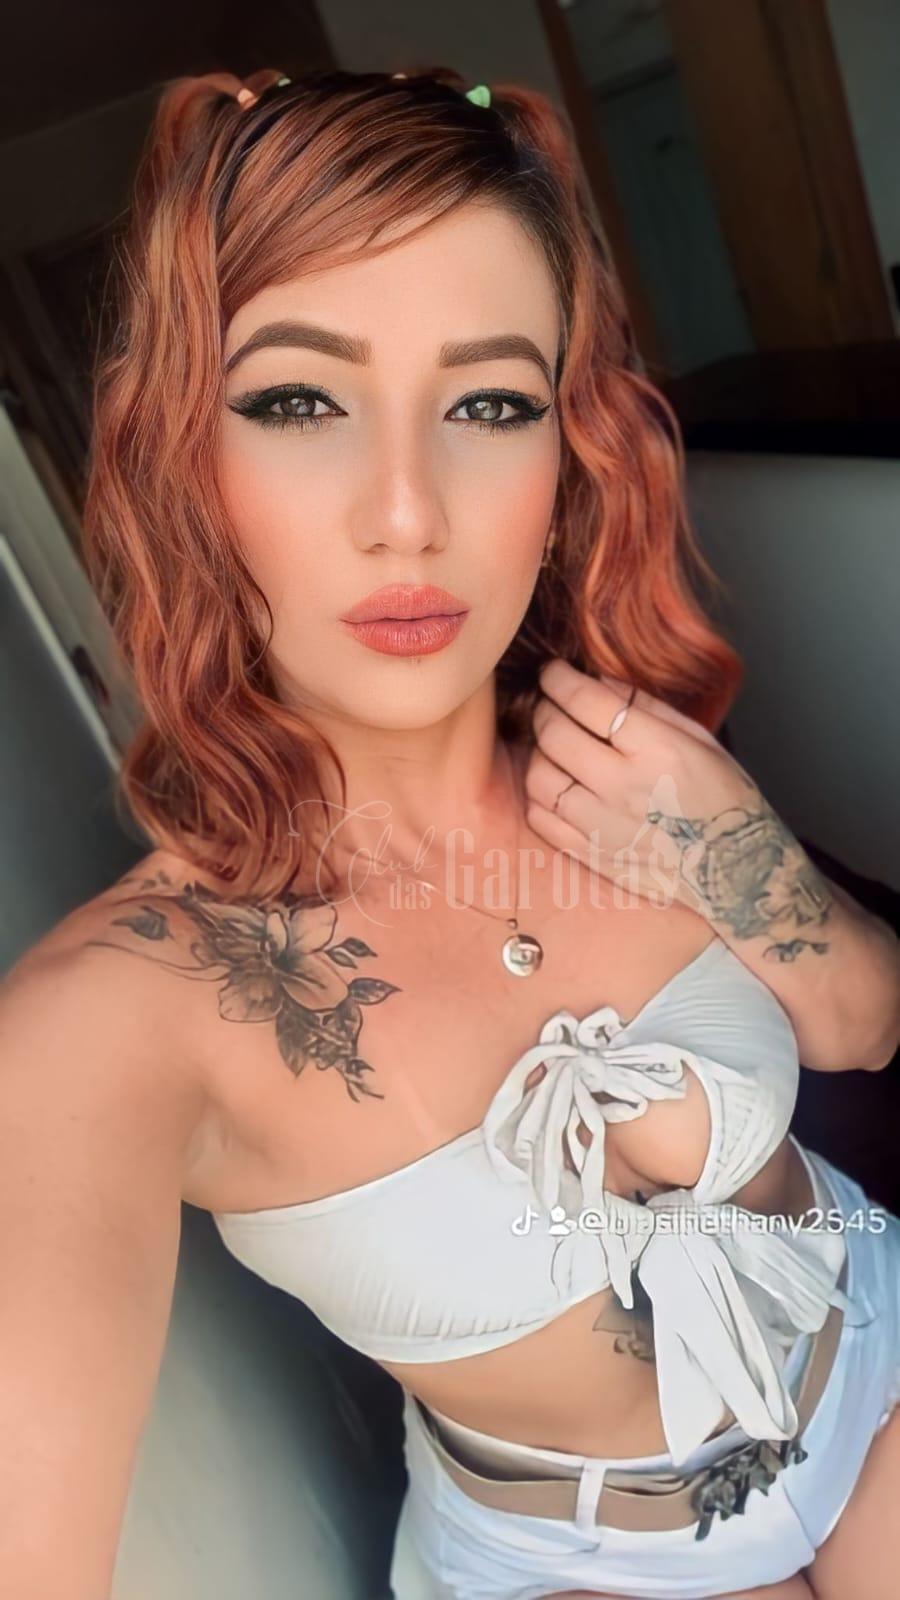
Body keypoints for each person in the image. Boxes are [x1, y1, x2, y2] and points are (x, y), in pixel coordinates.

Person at [1, 64, 898, 1600]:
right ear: (183, 462)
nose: (408, 511)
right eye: (299, 402)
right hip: (585, 1561)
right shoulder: (117, 1016)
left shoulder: (632, 764)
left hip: (876, 1370)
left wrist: (734, 844)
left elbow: (863, 1023)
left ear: (566, 450)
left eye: (489, 403)